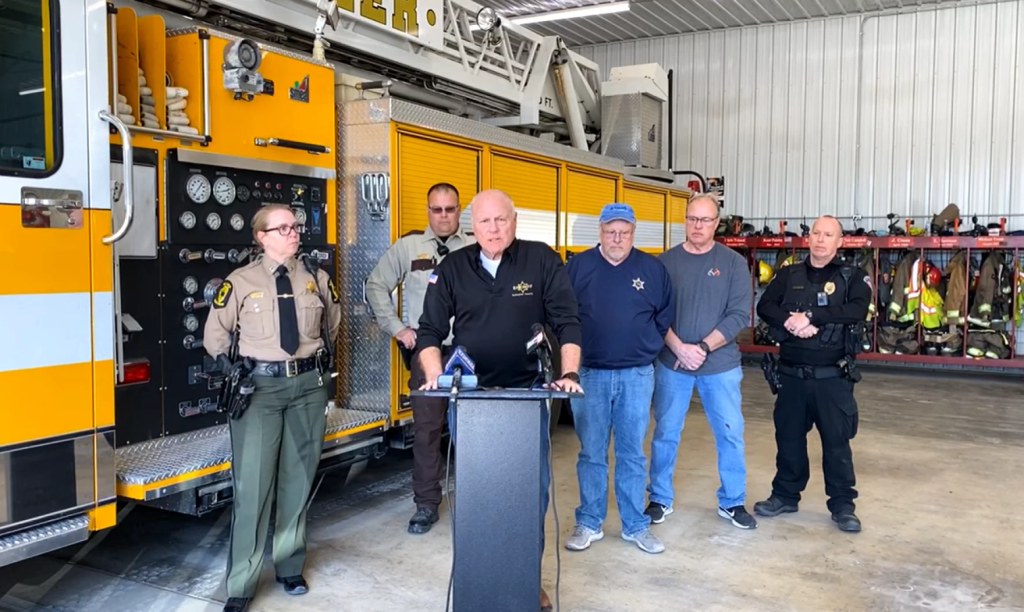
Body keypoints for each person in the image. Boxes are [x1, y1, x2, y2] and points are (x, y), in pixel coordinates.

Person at [415, 188, 582, 612]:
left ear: (514, 221)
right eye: (485, 221)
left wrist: (568, 373)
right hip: (471, 400)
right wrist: (435, 377)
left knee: (529, 495)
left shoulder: (541, 259)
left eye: (501, 219)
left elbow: (567, 320)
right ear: (472, 226)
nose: (493, 229)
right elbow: (430, 330)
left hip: (527, 395)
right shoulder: (453, 267)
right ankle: (480, 579)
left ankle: (527, 581)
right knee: (477, 493)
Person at [204, 204, 341, 612]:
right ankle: (241, 584)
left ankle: (289, 565)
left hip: (307, 387)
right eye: (282, 228)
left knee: (298, 480)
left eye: (295, 226)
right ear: (261, 236)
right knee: (253, 486)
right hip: (259, 390)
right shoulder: (240, 281)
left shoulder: (316, 278)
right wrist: (234, 371)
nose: (293, 232)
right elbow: (215, 335)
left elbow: (332, 325)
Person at [564, 203, 674, 554]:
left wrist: (644, 345)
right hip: (590, 374)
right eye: (610, 231)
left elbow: (664, 314)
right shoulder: (578, 267)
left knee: (631, 453)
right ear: (600, 232)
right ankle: (589, 522)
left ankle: (634, 524)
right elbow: (562, 314)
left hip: (637, 375)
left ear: (632, 233)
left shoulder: (652, 269)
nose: (617, 238)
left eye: (624, 232)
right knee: (591, 452)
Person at [364, 182, 474, 535]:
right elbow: (375, 285)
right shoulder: (408, 247)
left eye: (450, 209)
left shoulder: (476, 246)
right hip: (427, 350)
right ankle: (426, 504)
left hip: (468, 352)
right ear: (428, 211)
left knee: (475, 428)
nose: (443, 216)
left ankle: (478, 500)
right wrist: (398, 329)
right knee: (426, 431)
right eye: (436, 209)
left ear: (459, 210)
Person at [645, 194, 757, 530]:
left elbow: (738, 314)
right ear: (685, 220)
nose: (698, 226)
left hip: (720, 366)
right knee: (665, 432)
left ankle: (732, 501)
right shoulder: (664, 263)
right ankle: (659, 498)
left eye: (705, 220)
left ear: (716, 223)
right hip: (672, 364)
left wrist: (703, 348)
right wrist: (679, 347)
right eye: (693, 219)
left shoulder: (733, 263)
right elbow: (653, 313)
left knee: (730, 433)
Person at [753, 215, 871, 533]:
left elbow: (857, 309)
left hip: (832, 378)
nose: (820, 239)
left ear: (839, 241)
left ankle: (843, 506)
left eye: (828, 234)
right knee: (788, 440)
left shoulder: (853, 276)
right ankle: (784, 496)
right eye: (816, 233)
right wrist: (790, 321)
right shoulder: (788, 274)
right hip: (790, 376)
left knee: (836, 444)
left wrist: (811, 316)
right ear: (808, 238)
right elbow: (766, 306)